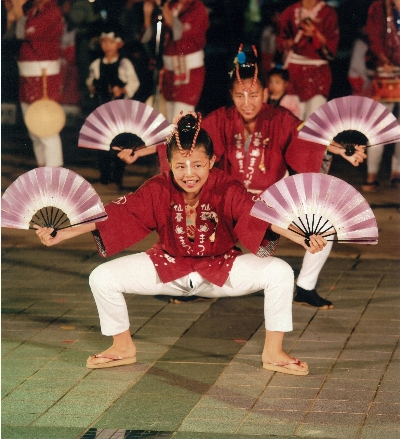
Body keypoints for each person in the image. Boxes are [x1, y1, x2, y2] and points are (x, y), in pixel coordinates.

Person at [35, 112, 327, 374]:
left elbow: (262, 215)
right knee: (102, 277)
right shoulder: (158, 187)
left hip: (221, 269)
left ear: (212, 162)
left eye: (198, 164)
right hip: (168, 266)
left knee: (280, 272)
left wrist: (302, 237)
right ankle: (122, 347)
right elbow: (115, 215)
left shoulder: (227, 187)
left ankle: (273, 352)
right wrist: (62, 232)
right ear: (169, 164)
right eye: (181, 166)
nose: (190, 174)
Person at [118, 49, 366, 309]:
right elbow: (185, 140)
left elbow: (309, 138)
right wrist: (139, 151)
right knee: (188, 217)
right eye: (239, 95)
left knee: (325, 222)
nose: (247, 102)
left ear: (266, 94)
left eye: (254, 95)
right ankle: (192, 284)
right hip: (229, 200)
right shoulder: (221, 119)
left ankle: (305, 287)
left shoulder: (279, 118)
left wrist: (343, 150)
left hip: (270, 199)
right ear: (232, 96)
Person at [3, 0, 64, 167]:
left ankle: (54, 175)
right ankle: (43, 171)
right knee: (33, 129)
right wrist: (13, 13)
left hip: (44, 77)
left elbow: (27, 33)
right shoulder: (32, 10)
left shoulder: (53, 12)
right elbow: (12, 35)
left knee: (46, 128)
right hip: (28, 76)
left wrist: (17, 12)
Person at [141, 0, 209, 123]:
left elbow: (178, 32)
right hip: (169, 71)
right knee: (166, 117)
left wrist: (163, 8)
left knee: (182, 116)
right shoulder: (172, 6)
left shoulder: (198, 9)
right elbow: (149, 38)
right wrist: (147, 14)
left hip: (189, 71)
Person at [277, 0, 339, 121]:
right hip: (294, 74)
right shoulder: (290, 12)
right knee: (291, 121)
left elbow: (332, 47)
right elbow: (281, 39)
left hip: (318, 74)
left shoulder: (328, 14)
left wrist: (316, 34)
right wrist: (286, 44)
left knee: (314, 123)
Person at [361, 0, 400, 192]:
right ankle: (371, 174)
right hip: (387, 73)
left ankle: (397, 172)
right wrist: (383, 60)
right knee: (379, 125)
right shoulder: (378, 7)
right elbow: (374, 38)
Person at [86, 24, 140, 188]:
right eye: (104, 42)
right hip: (101, 106)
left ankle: (117, 177)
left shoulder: (124, 63)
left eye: (110, 42)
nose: (107, 46)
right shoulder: (97, 64)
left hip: (119, 110)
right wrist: (92, 88)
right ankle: (104, 176)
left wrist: (123, 89)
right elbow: (90, 81)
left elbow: (134, 82)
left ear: (119, 44)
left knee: (119, 142)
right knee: (102, 142)